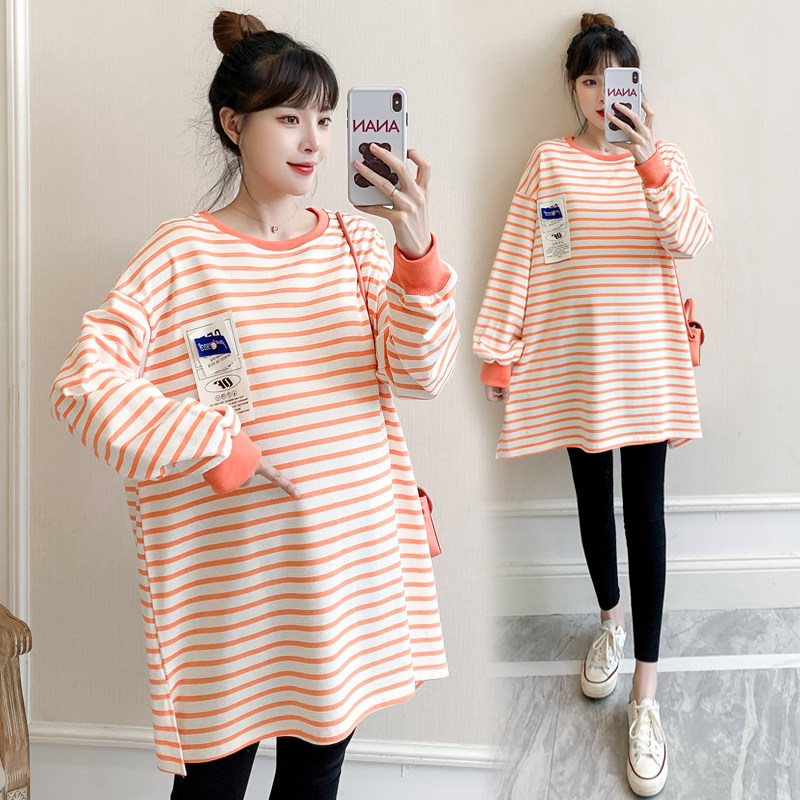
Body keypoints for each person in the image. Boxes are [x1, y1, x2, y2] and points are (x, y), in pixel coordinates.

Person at [51, 11, 458, 800]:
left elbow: (422, 374)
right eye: (289, 118)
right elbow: (83, 384)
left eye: (325, 120)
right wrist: (219, 444)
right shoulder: (179, 253)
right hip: (231, 588)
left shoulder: (358, 244)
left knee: (315, 775)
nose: (314, 141)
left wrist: (417, 253)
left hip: (343, 568)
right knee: (213, 784)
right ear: (234, 124)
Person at [473, 12, 711, 797]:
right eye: (588, 79)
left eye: (617, 80)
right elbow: (518, 254)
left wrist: (648, 162)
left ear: (637, 86)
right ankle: (609, 622)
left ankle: (645, 691)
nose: (604, 94)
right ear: (573, 89)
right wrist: (499, 348)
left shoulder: (663, 160)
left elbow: (690, 239)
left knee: (646, 516)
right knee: (590, 504)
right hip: (577, 366)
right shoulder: (549, 161)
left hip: (647, 368)